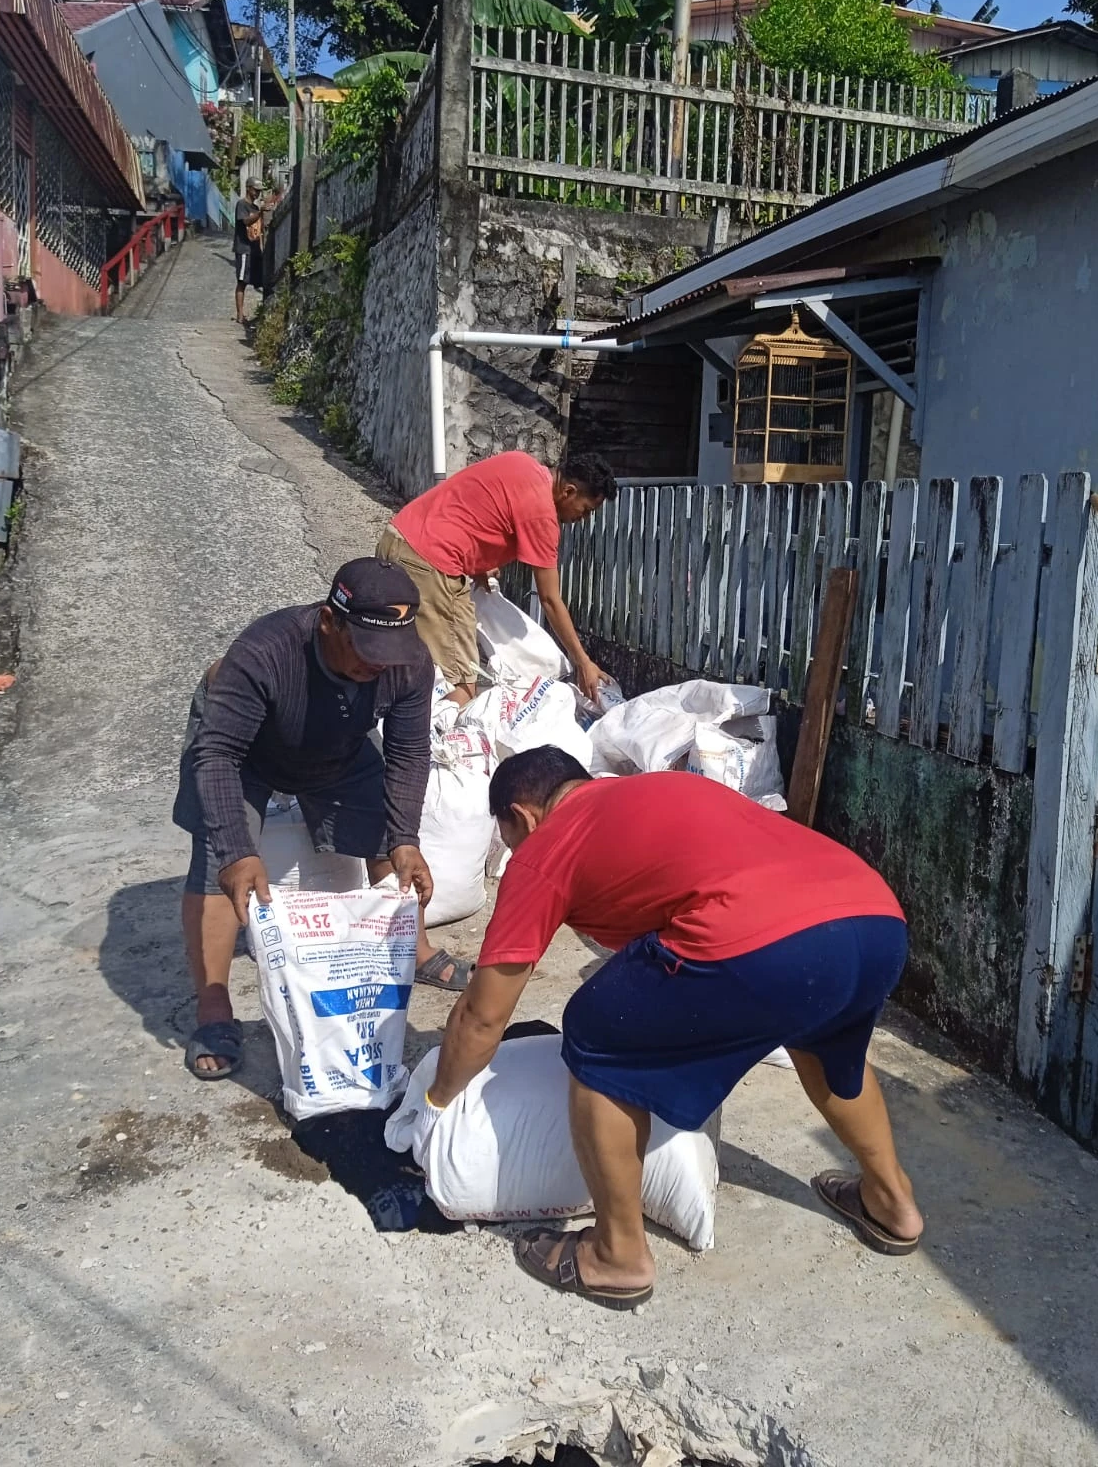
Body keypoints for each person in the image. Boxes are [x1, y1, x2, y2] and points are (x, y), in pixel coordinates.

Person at [419, 748, 923, 1310]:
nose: (515, 851)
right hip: (874, 920)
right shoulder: (655, 791)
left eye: (509, 837)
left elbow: (483, 1014)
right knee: (823, 1041)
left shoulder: (547, 846)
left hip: (766, 940)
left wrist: (437, 1100)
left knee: (597, 1030)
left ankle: (616, 1257)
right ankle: (892, 1202)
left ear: (524, 815)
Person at [173, 558, 460, 1082]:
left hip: (338, 744)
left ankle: (413, 950)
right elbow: (217, 755)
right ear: (330, 621)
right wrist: (240, 851)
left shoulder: (408, 662)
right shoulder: (265, 652)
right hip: (245, 750)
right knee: (217, 855)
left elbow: (409, 753)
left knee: (385, 830)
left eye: (390, 654)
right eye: (367, 651)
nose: (380, 665)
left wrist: (405, 839)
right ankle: (213, 1007)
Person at [377, 451, 617, 706]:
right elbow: (549, 599)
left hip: (397, 539)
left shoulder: (521, 462)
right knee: (460, 683)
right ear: (568, 491)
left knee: (397, 653)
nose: (583, 519)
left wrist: (477, 565)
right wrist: (583, 661)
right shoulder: (542, 516)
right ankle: (430, 741)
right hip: (429, 564)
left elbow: (472, 507)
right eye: (587, 509)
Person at [233, 179, 263, 325]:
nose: (257, 193)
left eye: (259, 191)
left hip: (255, 248)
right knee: (242, 281)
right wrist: (260, 214)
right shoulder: (242, 205)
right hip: (243, 248)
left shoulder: (256, 207)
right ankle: (240, 315)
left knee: (258, 281)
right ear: (248, 188)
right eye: (255, 190)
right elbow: (245, 221)